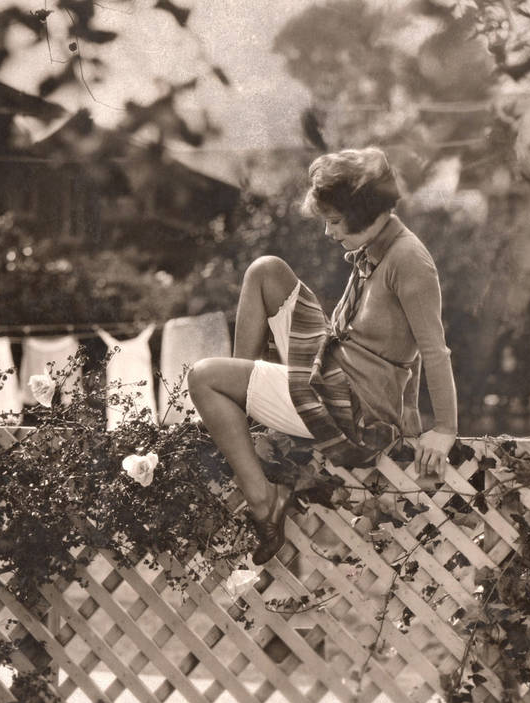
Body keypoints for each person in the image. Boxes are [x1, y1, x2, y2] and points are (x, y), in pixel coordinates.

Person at [188, 147, 458, 565]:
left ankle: (263, 501)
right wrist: (409, 411)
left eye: (334, 222)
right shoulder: (379, 246)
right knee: (266, 270)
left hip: (349, 402)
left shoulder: (409, 261)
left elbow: (432, 350)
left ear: (365, 211)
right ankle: (243, 400)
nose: (329, 234)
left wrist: (444, 428)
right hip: (336, 362)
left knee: (203, 376)